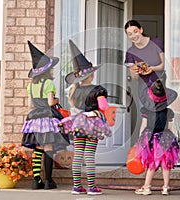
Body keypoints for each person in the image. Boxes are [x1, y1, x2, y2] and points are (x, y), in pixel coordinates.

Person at [124, 19, 180, 195]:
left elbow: (163, 66)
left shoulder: (155, 43)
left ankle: (147, 185)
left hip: (157, 85)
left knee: (155, 122)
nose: (133, 35)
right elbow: (132, 77)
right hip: (144, 90)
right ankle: (159, 184)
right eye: (129, 34)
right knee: (149, 117)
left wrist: (151, 69)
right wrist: (136, 72)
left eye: (134, 31)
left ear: (140, 29)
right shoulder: (130, 52)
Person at [59, 40, 112, 195]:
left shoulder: (73, 91)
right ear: (92, 74)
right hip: (92, 124)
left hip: (78, 124)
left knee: (78, 155)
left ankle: (77, 186)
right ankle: (91, 187)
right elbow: (104, 107)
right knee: (89, 154)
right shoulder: (98, 90)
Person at [21, 41, 62, 190]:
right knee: (48, 147)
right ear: (47, 70)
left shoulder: (30, 86)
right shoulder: (49, 84)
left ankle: (36, 180)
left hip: (34, 118)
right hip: (46, 117)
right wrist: (57, 100)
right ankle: (48, 181)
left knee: (37, 149)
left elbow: (30, 104)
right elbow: (51, 102)